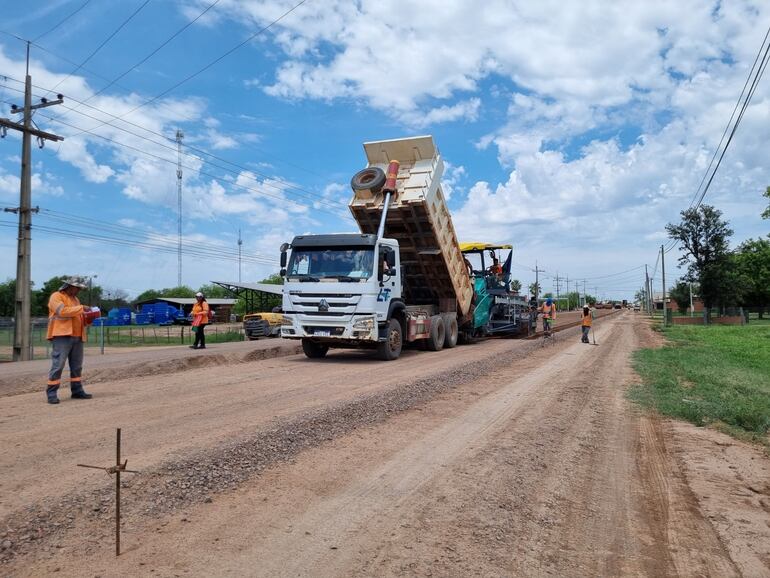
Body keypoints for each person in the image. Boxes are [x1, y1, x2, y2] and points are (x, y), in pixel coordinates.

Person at [46, 276, 93, 404]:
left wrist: (89, 318)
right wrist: (82, 308)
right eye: (77, 287)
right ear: (69, 286)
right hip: (62, 336)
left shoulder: (76, 300)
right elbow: (62, 311)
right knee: (58, 365)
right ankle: (51, 393)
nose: (78, 290)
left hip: (77, 336)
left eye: (79, 288)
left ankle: (77, 391)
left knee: (77, 366)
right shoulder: (56, 296)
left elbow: (78, 316)